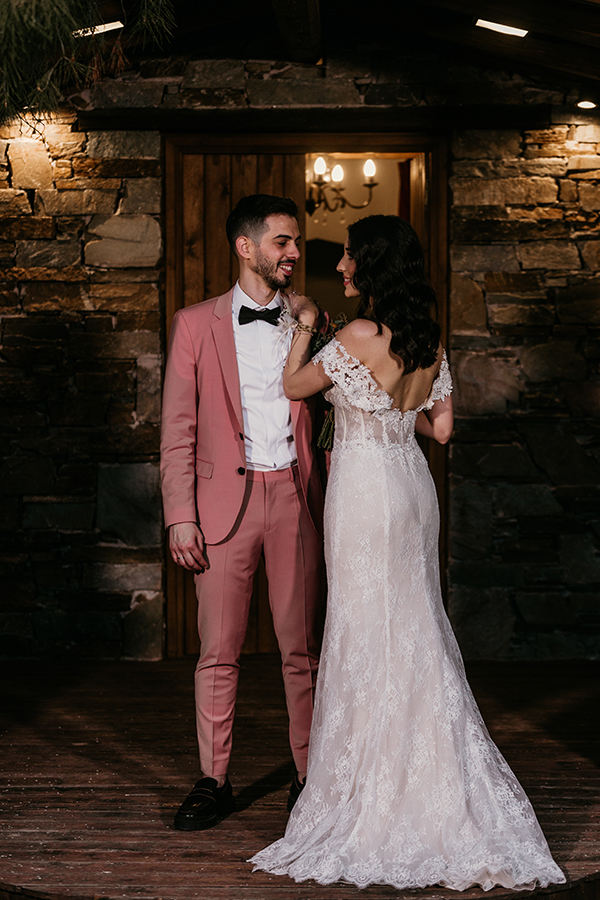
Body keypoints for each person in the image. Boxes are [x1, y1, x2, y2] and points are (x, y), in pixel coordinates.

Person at [250, 215, 565, 891]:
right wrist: (394, 407)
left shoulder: (359, 335)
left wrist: (307, 325)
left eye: (348, 258)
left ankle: (374, 788)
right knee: (414, 626)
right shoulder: (427, 336)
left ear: (371, 265)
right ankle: (428, 778)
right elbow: (441, 429)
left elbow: (295, 387)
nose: (338, 267)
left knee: (367, 629)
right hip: (411, 485)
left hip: (365, 490)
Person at [160, 194, 325, 831]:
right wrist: (181, 514)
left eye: (295, 242)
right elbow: (177, 428)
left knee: (300, 651)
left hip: (295, 496)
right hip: (221, 505)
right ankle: (214, 780)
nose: (292, 253)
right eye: (282, 241)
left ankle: (309, 776)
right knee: (218, 652)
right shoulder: (194, 324)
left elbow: (335, 416)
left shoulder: (313, 319)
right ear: (246, 246)